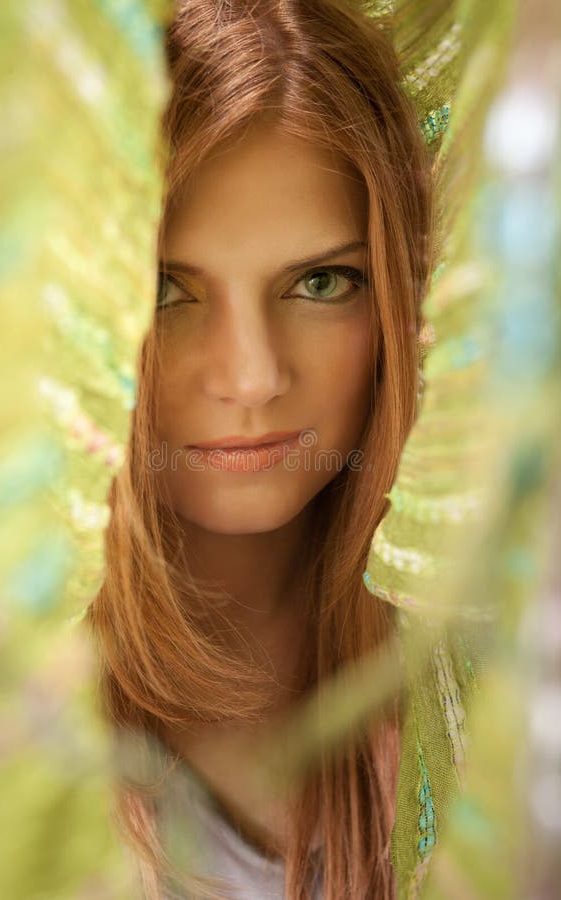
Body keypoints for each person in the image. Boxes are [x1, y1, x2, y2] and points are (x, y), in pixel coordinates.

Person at [86, 0, 434, 897]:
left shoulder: (501, 678)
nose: (250, 377)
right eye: (166, 290)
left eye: (321, 282)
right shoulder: (4, 720)